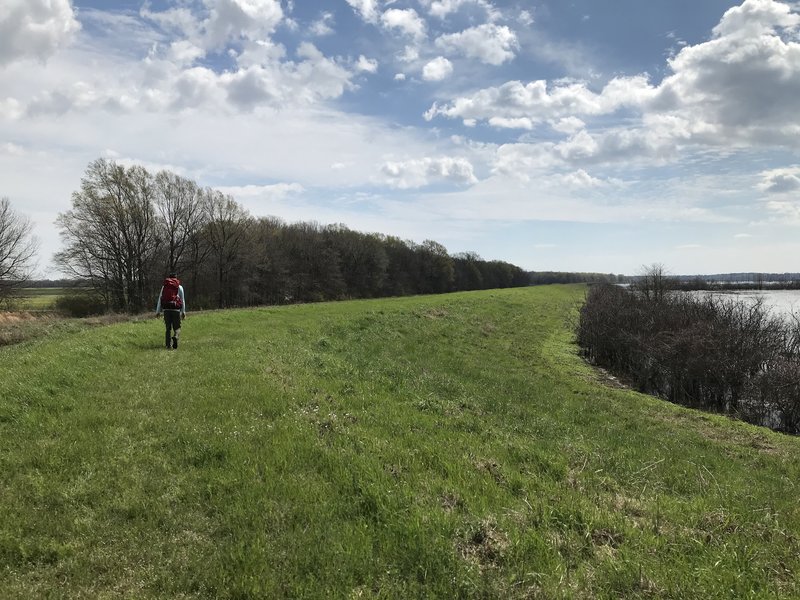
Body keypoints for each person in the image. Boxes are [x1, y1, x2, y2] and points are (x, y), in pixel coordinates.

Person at [156, 272, 186, 349]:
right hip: (176, 309)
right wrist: (183, 312)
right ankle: (175, 336)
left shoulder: (164, 287)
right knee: (177, 328)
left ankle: (168, 345)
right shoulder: (179, 287)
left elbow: (160, 298)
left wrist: (158, 311)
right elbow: (182, 300)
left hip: (166, 309)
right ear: (176, 278)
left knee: (168, 328)